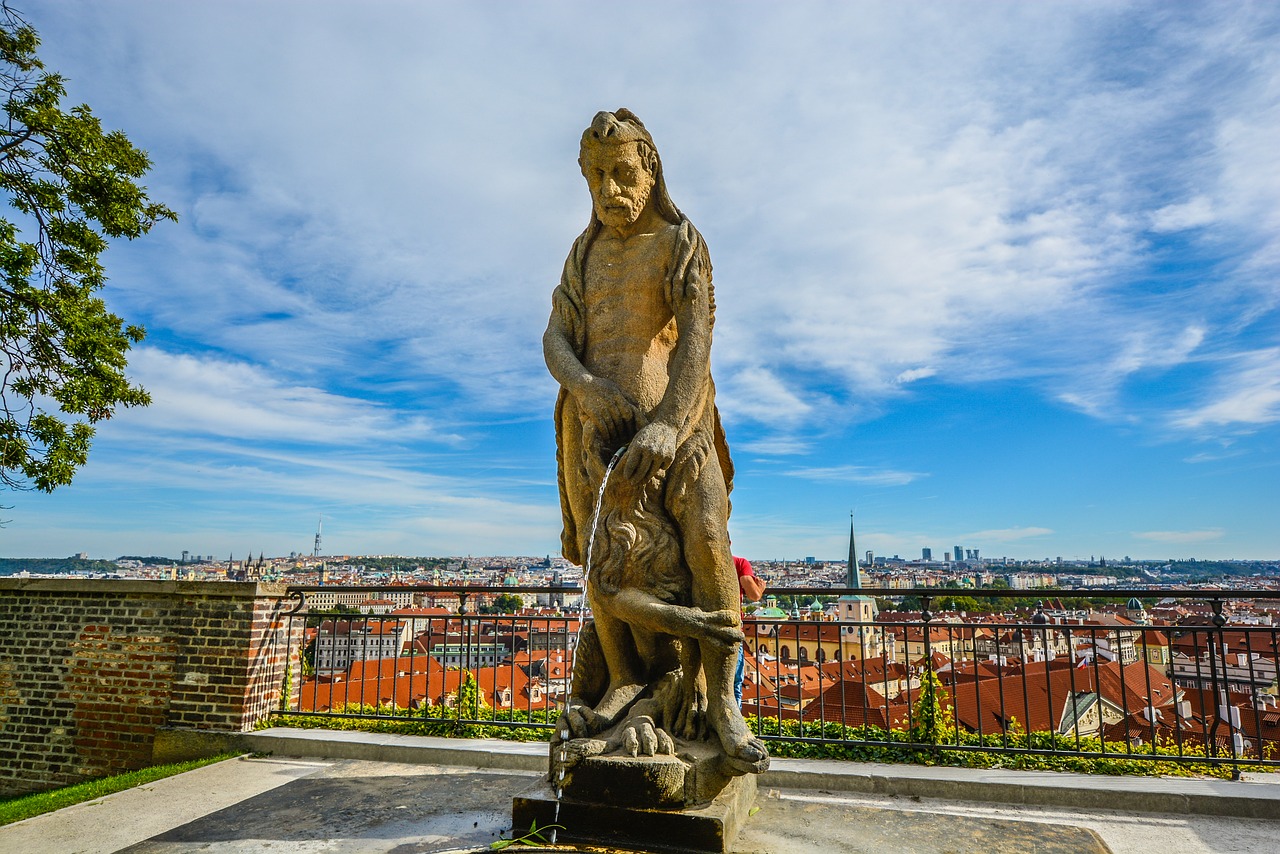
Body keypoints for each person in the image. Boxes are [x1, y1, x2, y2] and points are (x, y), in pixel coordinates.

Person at [544, 109, 766, 772]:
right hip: (593, 434)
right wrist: (585, 386)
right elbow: (554, 339)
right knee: (599, 561)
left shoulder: (680, 241)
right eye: (597, 179)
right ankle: (622, 677)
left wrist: (670, 423)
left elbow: (697, 341)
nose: (611, 189)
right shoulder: (582, 255)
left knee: (707, 542)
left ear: (651, 170)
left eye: (623, 173)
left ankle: (723, 703)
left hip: (680, 423)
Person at [733, 554, 765, 707]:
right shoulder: (739, 563)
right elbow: (754, 595)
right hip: (731, 627)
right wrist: (760, 588)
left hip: (702, 624)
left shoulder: (697, 558)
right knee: (734, 682)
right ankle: (734, 723)